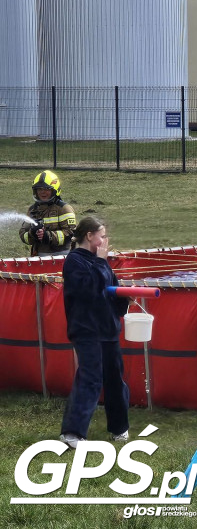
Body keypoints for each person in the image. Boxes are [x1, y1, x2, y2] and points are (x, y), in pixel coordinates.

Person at [59, 216, 131, 448]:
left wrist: (124, 299)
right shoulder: (74, 261)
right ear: (89, 236)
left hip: (108, 329)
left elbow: (111, 289)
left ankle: (119, 428)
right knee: (90, 378)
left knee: (114, 379)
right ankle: (72, 432)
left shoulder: (101, 262)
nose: (105, 241)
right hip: (87, 330)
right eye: (101, 236)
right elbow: (89, 290)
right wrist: (101, 263)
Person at [20, 170, 76, 257]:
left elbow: (70, 234)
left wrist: (47, 236)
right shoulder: (32, 210)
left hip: (63, 257)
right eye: (39, 189)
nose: (42, 192)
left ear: (55, 190)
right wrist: (32, 234)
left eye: (46, 189)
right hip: (38, 258)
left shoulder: (64, 209)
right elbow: (23, 234)